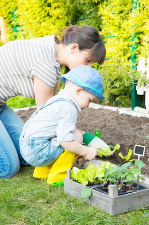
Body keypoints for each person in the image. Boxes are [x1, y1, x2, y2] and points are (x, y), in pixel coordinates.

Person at [0, 25, 106, 178]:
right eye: (88, 61)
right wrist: (83, 141)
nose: (88, 67)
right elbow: (50, 119)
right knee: (8, 167)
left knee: (26, 156)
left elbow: (57, 109)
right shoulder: (48, 65)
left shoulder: (51, 50)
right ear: (74, 48)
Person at [19, 65, 109, 168]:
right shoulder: (68, 107)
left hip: (26, 146)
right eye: (90, 100)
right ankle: (59, 174)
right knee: (76, 136)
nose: (88, 105)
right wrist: (86, 151)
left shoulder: (57, 100)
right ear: (78, 91)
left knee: (70, 135)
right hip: (39, 152)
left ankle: (42, 172)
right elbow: (65, 140)